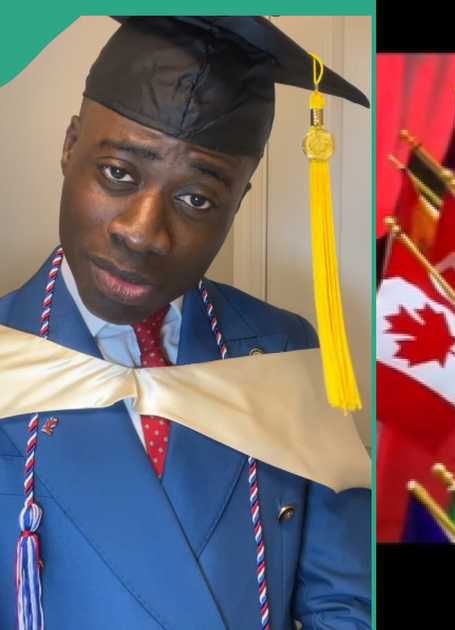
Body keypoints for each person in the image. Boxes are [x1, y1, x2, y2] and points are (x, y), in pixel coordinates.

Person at [0, 17, 370, 629]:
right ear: (70, 147)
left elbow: (345, 605)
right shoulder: (8, 354)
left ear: (238, 202)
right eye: (118, 173)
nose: (143, 232)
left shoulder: (283, 353)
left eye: (196, 198)